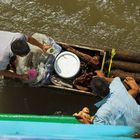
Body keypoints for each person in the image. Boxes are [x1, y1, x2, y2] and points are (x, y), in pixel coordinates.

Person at [73, 70, 140, 127]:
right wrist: (103, 77)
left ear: (95, 93)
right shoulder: (117, 85)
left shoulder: (101, 115)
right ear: (107, 84)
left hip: (135, 131)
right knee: (123, 98)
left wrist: (84, 121)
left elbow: (96, 134)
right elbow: (114, 80)